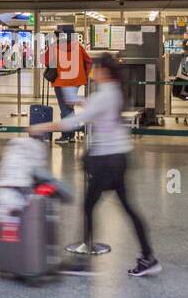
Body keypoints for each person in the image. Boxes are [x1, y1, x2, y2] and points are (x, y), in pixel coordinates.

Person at [29, 53, 160, 278]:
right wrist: (81, 102)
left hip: (106, 161)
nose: (93, 73)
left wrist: (41, 127)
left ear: (104, 72)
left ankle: (83, 263)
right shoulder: (116, 92)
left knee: (89, 206)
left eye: (96, 69)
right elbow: (99, 108)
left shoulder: (104, 96)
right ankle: (148, 256)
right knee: (128, 209)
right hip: (120, 158)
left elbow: (73, 121)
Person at [43, 28, 91, 145]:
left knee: (65, 109)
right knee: (69, 108)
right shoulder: (78, 47)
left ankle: (66, 136)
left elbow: (47, 61)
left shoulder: (55, 47)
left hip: (61, 82)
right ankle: (72, 134)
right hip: (76, 81)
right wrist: (84, 74)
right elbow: (89, 61)